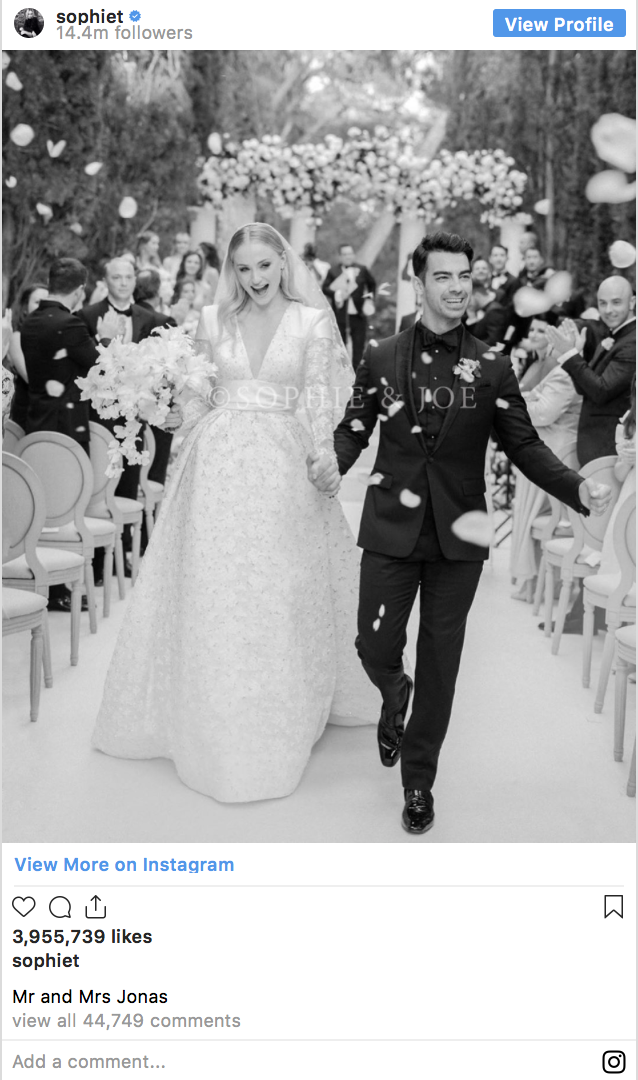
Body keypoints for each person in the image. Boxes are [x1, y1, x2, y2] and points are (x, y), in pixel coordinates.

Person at [313, 231, 611, 835]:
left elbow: (524, 445)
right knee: (374, 644)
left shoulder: (493, 366)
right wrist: (332, 463)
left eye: (464, 277)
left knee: (441, 661)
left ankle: (418, 782)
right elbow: (354, 428)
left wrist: (576, 487)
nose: (456, 288)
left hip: (461, 534)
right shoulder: (381, 355)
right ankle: (394, 691)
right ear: (419, 283)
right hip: (391, 527)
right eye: (442, 276)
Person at [92, 223, 379, 803]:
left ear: (282, 262)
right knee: (218, 587)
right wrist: (171, 415)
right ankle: (212, 712)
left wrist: (325, 456)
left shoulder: (311, 321)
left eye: (264, 266)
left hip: (282, 464)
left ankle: (279, 704)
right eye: (243, 268)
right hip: (216, 465)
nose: (255, 278)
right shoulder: (210, 320)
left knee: (277, 585)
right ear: (231, 270)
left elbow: (319, 398)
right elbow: (198, 398)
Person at [509, 318, 581, 599]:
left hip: (553, 452)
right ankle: (532, 583)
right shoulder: (557, 368)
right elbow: (533, 398)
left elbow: (543, 412)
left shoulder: (565, 372)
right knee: (528, 515)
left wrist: (514, 402)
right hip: (541, 449)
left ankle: (541, 586)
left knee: (536, 515)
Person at [323, 243, 376, 369]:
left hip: (358, 314)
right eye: (345, 254)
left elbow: (372, 284)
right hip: (340, 314)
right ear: (340, 256)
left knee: (359, 346)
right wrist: (337, 294)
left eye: (350, 253)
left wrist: (368, 299)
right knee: (340, 346)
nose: (348, 256)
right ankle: (342, 373)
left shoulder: (362, 269)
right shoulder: (333, 271)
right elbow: (325, 288)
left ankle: (357, 375)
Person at [5, 282, 49, 428]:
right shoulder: (17, 337)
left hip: (49, 410)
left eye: (47, 303)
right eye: (37, 302)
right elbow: (31, 378)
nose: (43, 307)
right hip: (27, 409)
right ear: (25, 307)